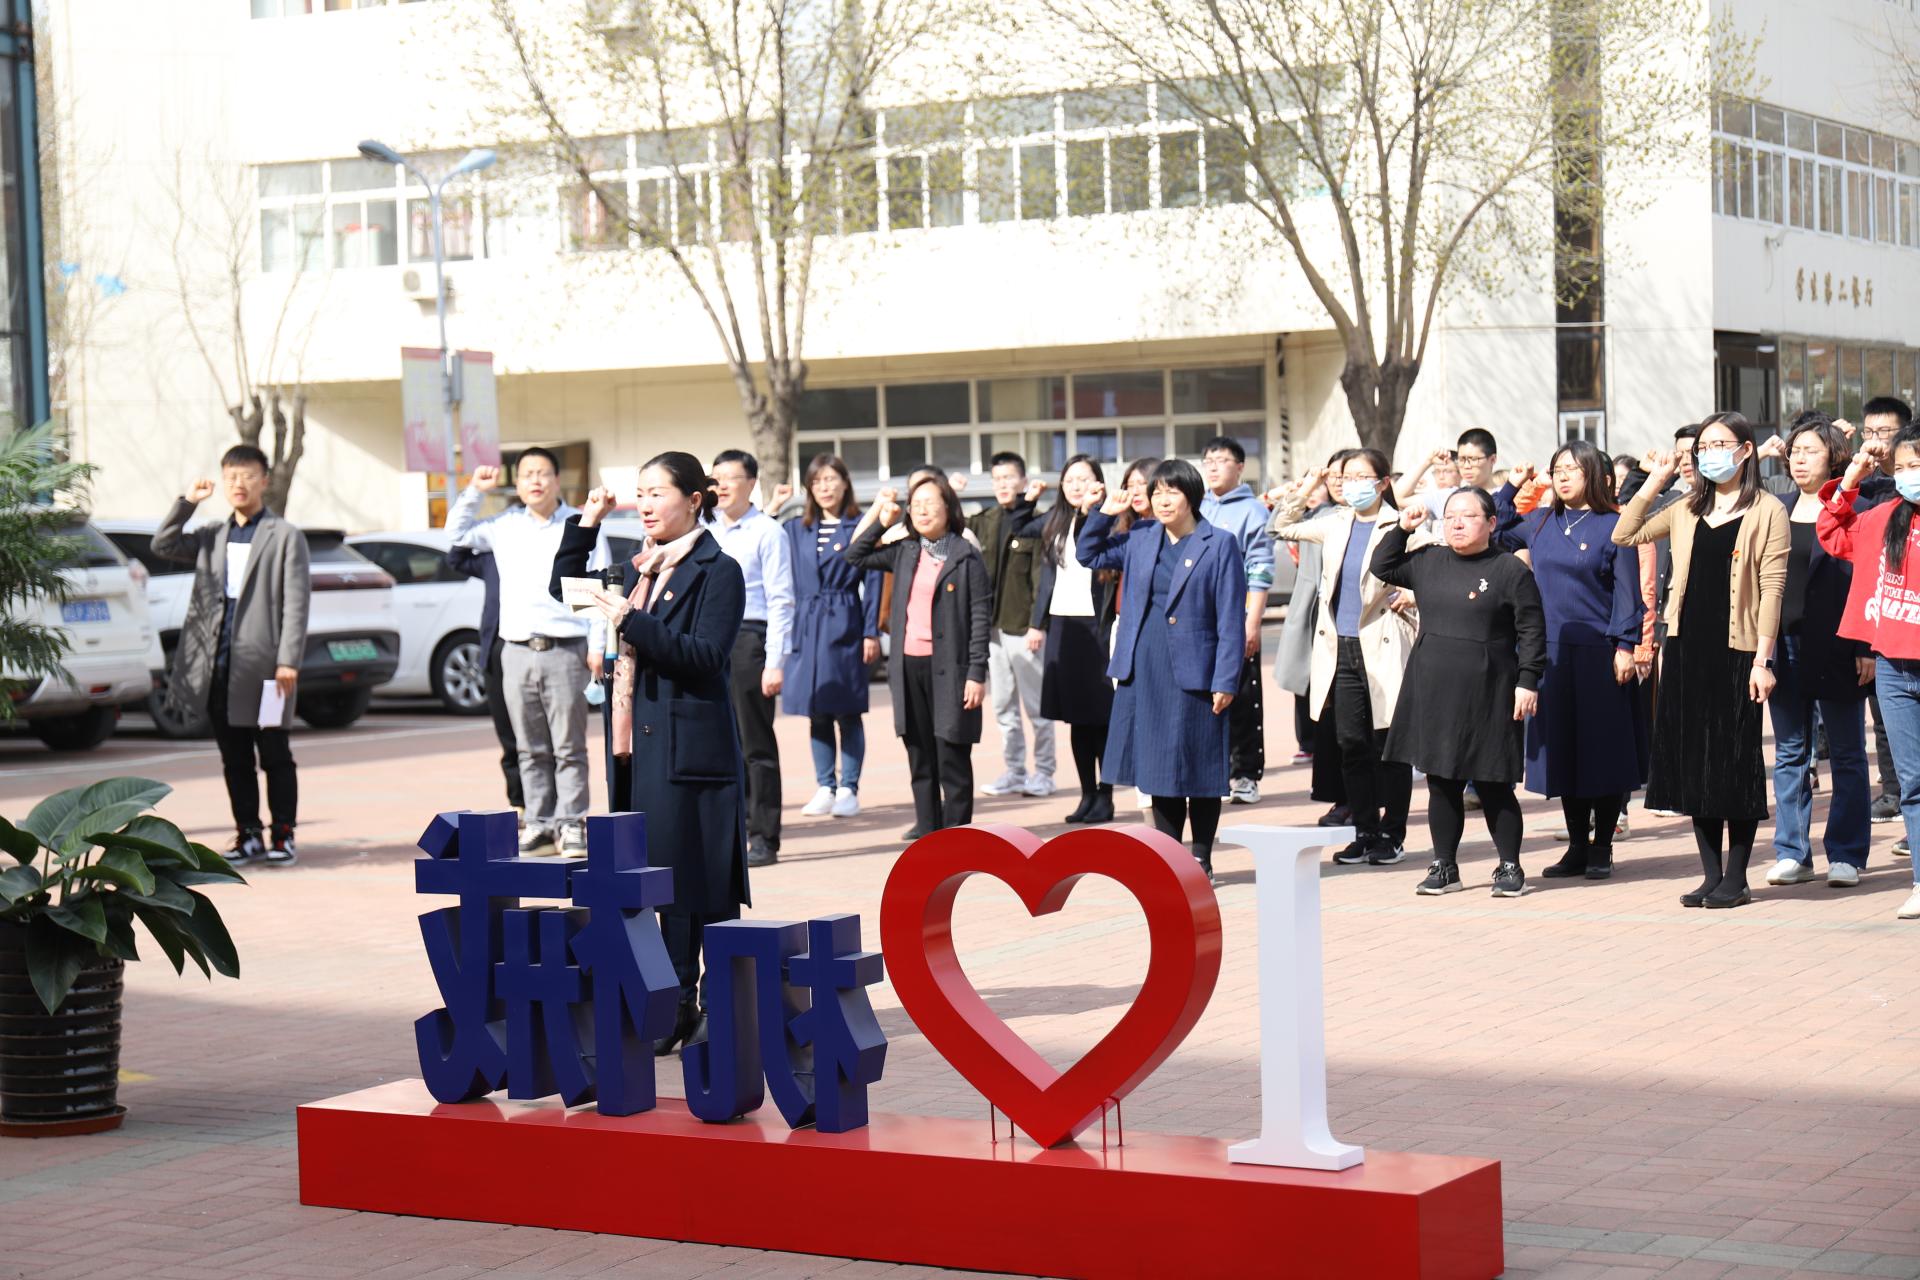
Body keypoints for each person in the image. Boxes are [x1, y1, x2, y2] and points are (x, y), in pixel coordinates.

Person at [558, 452, 748, 1053]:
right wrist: (586, 523)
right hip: (637, 749)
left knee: (703, 883)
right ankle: (675, 1005)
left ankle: (720, 1006)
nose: (645, 505)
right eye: (639, 493)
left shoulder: (719, 570)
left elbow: (707, 656)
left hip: (691, 750)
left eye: (657, 493)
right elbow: (564, 588)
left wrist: (632, 623)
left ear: (694, 500)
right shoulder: (635, 568)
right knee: (661, 883)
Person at [1614, 414, 1789, 909]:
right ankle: (1710, 875)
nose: (1708, 454)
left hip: (1738, 651)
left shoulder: (1768, 510)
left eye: (1719, 444)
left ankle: (1737, 876)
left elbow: (1773, 588)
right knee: (1694, 762)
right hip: (1686, 647)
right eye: (1702, 447)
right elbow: (1625, 534)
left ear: (1746, 450)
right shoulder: (1687, 507)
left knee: (1734, 764)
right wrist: (1655, 480)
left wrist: (1763, 659)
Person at [1076, 459, 1246, 882]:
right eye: (1157, 493)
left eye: (1172, 492)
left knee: (1200, 766)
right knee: (1158, 768)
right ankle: (1171, 857)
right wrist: (1103, 513)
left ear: (1192, 496)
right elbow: (1088, 554)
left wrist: (1226, 679)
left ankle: (1201, 856)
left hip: (1197, 669)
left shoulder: (1218, 543)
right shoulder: (1141, 536)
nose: (1163, 500)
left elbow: (1230, 617)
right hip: (1146, 665)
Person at [1372, 488, 1546, 896]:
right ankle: (1445, 865)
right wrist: (1402, 528)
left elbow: (1532, 629)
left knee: (1493, 781)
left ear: (1491, 522)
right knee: (1441, 780)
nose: (1457, 523)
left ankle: (1509, 866)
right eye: (1450, 516)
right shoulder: (1429, 560)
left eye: (1468, 516)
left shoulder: (1509, 569)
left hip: (1490, 689)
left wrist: (1528, 680)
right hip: (1433, 688)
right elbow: (1383, 565)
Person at [153, 444, 310, 866]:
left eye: (247, 475)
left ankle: (283, 833)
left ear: (264, 480)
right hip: (218, 664)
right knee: (235, 757)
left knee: (274, 752)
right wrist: (188, 503)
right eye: (231, 477)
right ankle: (248, 834)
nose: (238, 484)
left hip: (267, 668)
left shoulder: (285, 535)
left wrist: (288, 659)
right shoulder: (212, 536)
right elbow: (162, 544)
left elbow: (296, 603)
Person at [450, 449, 607, 857]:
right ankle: (538, 822)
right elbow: (455, 535)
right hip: (516, 650)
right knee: (528, 747)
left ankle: (571, 823)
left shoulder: (581, 523)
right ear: (517, 484)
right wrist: (475, 491)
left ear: (557, 479)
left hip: (566, 648)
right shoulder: (504, 525)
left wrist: (597, 646)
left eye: (543, 473)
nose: (535, 481)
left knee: (569, 746)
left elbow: (596, 587)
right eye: (526, 474)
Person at [1270, 448, 1417, 866]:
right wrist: (1308, 486)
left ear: (1383, 483)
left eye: (1361, 477)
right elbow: (1281, 526)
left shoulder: (1401, 523)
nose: (1352, 485)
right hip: (1340, 648)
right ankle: (1364, 831)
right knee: (1351, 743)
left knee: (1388, 743)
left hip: (1383, 645)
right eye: (1346, 477)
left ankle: (1392, 833)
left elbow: (1431, 567)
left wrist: (1412, 594)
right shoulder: (1335, 522)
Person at [1512, 440, 1648, 881]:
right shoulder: (1539, 521)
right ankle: (1576, 846)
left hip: (1599, 652)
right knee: (1564, 751)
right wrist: (1515, 485)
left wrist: (1626, 646)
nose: (1563, 476)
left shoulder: (1615, 524)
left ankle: (1602, 845)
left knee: (1601, 752)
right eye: (1557, 469)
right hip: (1550, 652)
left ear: (1594, 475)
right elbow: (1493, 527)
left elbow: (1628, 591)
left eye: (1572, 468)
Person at [1761, 417, 1873, 889]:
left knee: (1846, 752)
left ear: (1834, 456)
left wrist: (1865, 645)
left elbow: (1866, 580)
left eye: (1810, 450)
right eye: (1794, 451)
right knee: (1790, 750)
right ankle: (1793, 851)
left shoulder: (1857, 508)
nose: (1799, 459)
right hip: (1785, 642)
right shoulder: (1775, 509)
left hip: (1839, 643)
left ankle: (1846, 853)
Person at [846, 473, 990, 839]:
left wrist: (976, 672)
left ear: (948, 508)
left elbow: (980, 618)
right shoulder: (906, 551)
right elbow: (855, 555)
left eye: (930, 503)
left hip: (951, 669)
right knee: (920, 755)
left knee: (951, 756)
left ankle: (957, 837)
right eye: (916, 505)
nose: (922, 511)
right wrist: (883, 520)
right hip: (909, 667)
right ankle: (928, 833)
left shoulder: (965, 556)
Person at [1817, 426, 1920, 920]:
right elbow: (1833, 531)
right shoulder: (1883, 517)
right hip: (1894, 669)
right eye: (1902, 467)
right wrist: (1852, 476)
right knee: (1913, 783)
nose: (1909, 475)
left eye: (1917, 465)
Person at [709, 450, 795, 868]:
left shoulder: (767, 531)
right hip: (708, 641)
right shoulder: (704, 530)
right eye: (716, 478)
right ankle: (730, 833)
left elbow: (781, 600)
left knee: (754, 744)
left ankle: (763, 836)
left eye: (731, 477)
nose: (722, 485)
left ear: (751, 484)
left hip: (749, 640)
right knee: (718, 743)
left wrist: (775, 660)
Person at [785, 454, 883, 820]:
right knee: (816, 709)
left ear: (845, 483)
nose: (824, 487)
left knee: (847, 709)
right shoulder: (796, 528)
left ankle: (849, 788)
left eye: (831, 479)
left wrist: (871, 632)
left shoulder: (861, 525)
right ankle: (825, 786)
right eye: (817, 481)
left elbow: (874, 584)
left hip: (844, 621)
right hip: (807, 623)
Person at [1031, 455, 1118, 824]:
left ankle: (1106, 796)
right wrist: (1037, 623)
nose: (1077, 486)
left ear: (1099, 483)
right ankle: (1087, 794)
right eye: (1069, 480)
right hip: (1064, 625)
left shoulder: (1108, 518)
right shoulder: (1055, 521)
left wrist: (1089, 511)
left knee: (1101, 717)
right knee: (1076, 720)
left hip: (1096, 625)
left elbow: (1089, 544)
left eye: (1084, 478)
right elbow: (1019, 528)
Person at [964, 452, 1052, 798]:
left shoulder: (1037, 522)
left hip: (1024, 627)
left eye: (1009, 478)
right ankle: (1015, 770)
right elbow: (950, 525)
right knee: (1003, 706)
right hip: (993, 629)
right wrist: (952, 492)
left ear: (1024, 482)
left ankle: (1044, 772)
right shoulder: (985, 520)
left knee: (1036, 707)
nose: (1002, 484)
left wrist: (1037, 624)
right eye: (997, 479)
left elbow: (1042, 576)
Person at [1199, 437, 1276, 805]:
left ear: (1240, 467)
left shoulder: (1252, 511)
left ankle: (1246, 773)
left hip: (1237, 616)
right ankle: (1215, 770)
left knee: (1242, 695)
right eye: (1208, 460)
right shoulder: (1196, 506)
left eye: (1222, 459)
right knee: (1206, 695)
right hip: (1202, 619)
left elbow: (1260, 567)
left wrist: (1252, 621)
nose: (1213, 466)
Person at [443, 544, 524, 814]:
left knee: (541, 737)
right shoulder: (493, 557)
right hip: (495, 650)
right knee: (508, 734)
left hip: (529, 649)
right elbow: (456, 558)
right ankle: (519, 803)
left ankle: (551, 808)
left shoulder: (539, 551)